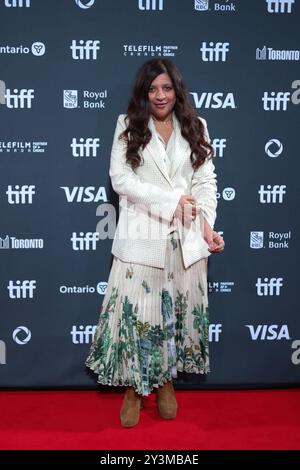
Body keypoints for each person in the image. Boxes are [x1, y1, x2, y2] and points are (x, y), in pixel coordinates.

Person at [85, 59, 224, 427]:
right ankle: (134, 387)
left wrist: (207, 225)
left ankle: (164, 382)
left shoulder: (198, 126)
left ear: (177, 90)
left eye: (166, 88)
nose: (160, 95)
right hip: (142, 236)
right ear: (143, 93)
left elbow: (206, 182)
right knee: (137, 318)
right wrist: (172, 202)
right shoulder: (127, 126)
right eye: (152, 89)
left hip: (186, 241)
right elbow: (122, 180)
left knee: (172, 316)